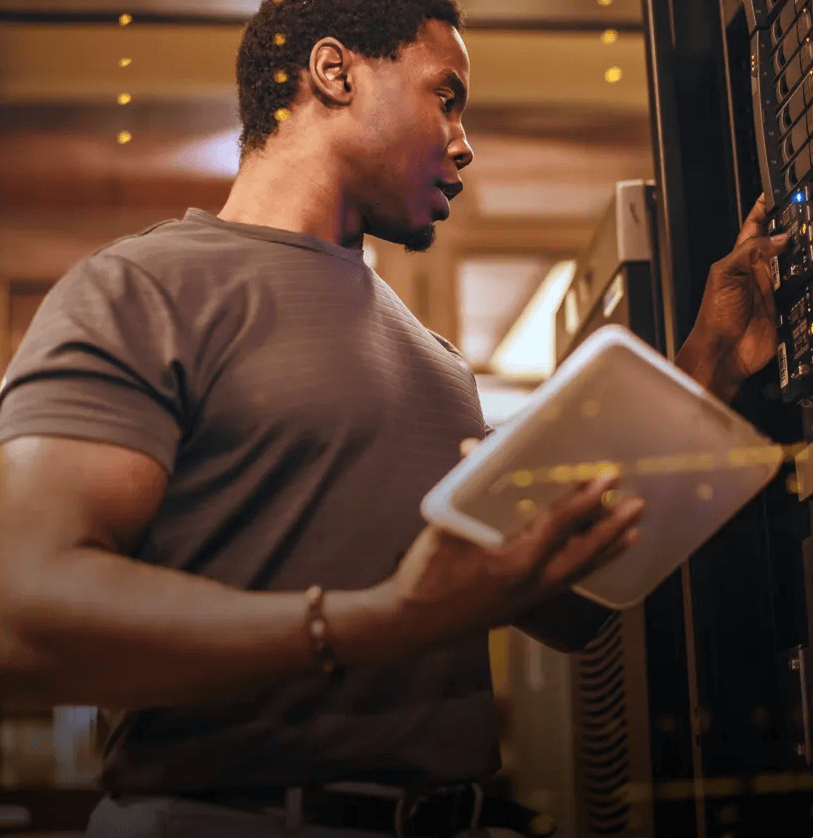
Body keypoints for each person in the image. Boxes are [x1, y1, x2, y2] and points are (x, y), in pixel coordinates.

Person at [0, 1, 786, 837]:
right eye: (444, 96)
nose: (464, 140)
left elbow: (565, 607)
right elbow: (23, 614)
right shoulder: (140, 289)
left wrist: (704, 369)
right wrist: (378, 621)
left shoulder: (437, 361)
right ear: (334, 73)